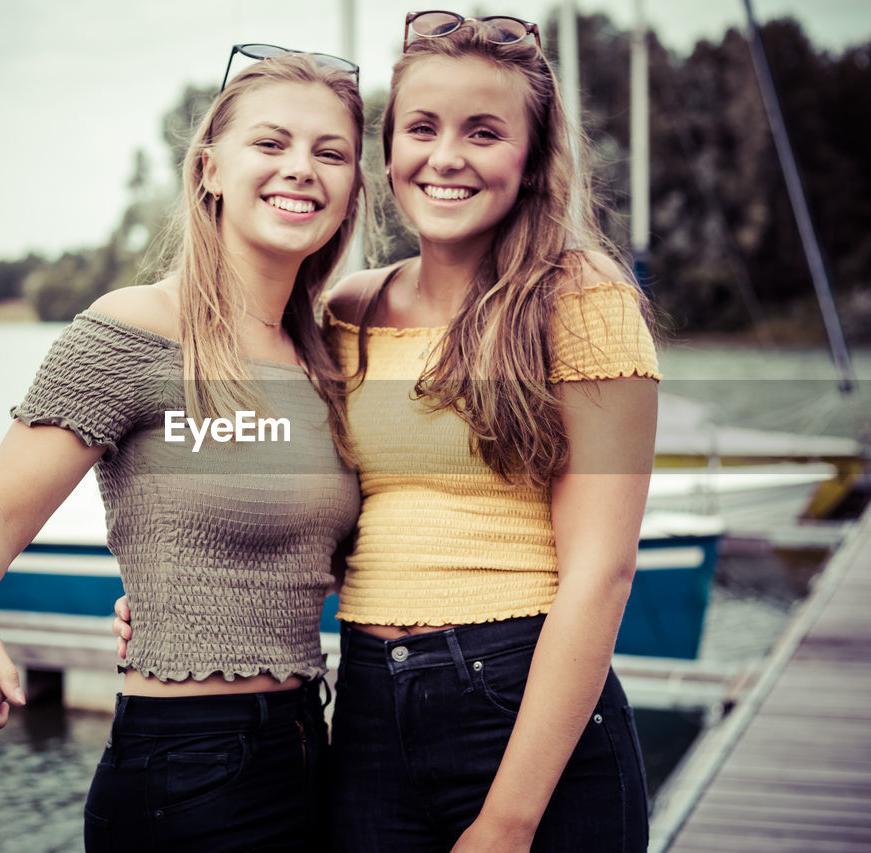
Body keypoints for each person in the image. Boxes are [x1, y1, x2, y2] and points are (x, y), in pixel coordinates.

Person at [111, 11, 658, 852]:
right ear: (389, 152)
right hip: (365, 713)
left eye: (484, 131)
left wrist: (509, 821)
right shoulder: (345, 311)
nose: (447, 157)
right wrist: (186, 595)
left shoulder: (582, 299)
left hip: (521, 700)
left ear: (532, 155)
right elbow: (311, 516)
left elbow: (603, 572)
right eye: (423, 128)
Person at [0, 47, 366, 853]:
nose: (302, 169)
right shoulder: (137, 328)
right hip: (187, 773)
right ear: (209, 168)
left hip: (313, 749)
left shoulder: (324, 355)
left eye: (331, 153)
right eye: (272, 143)